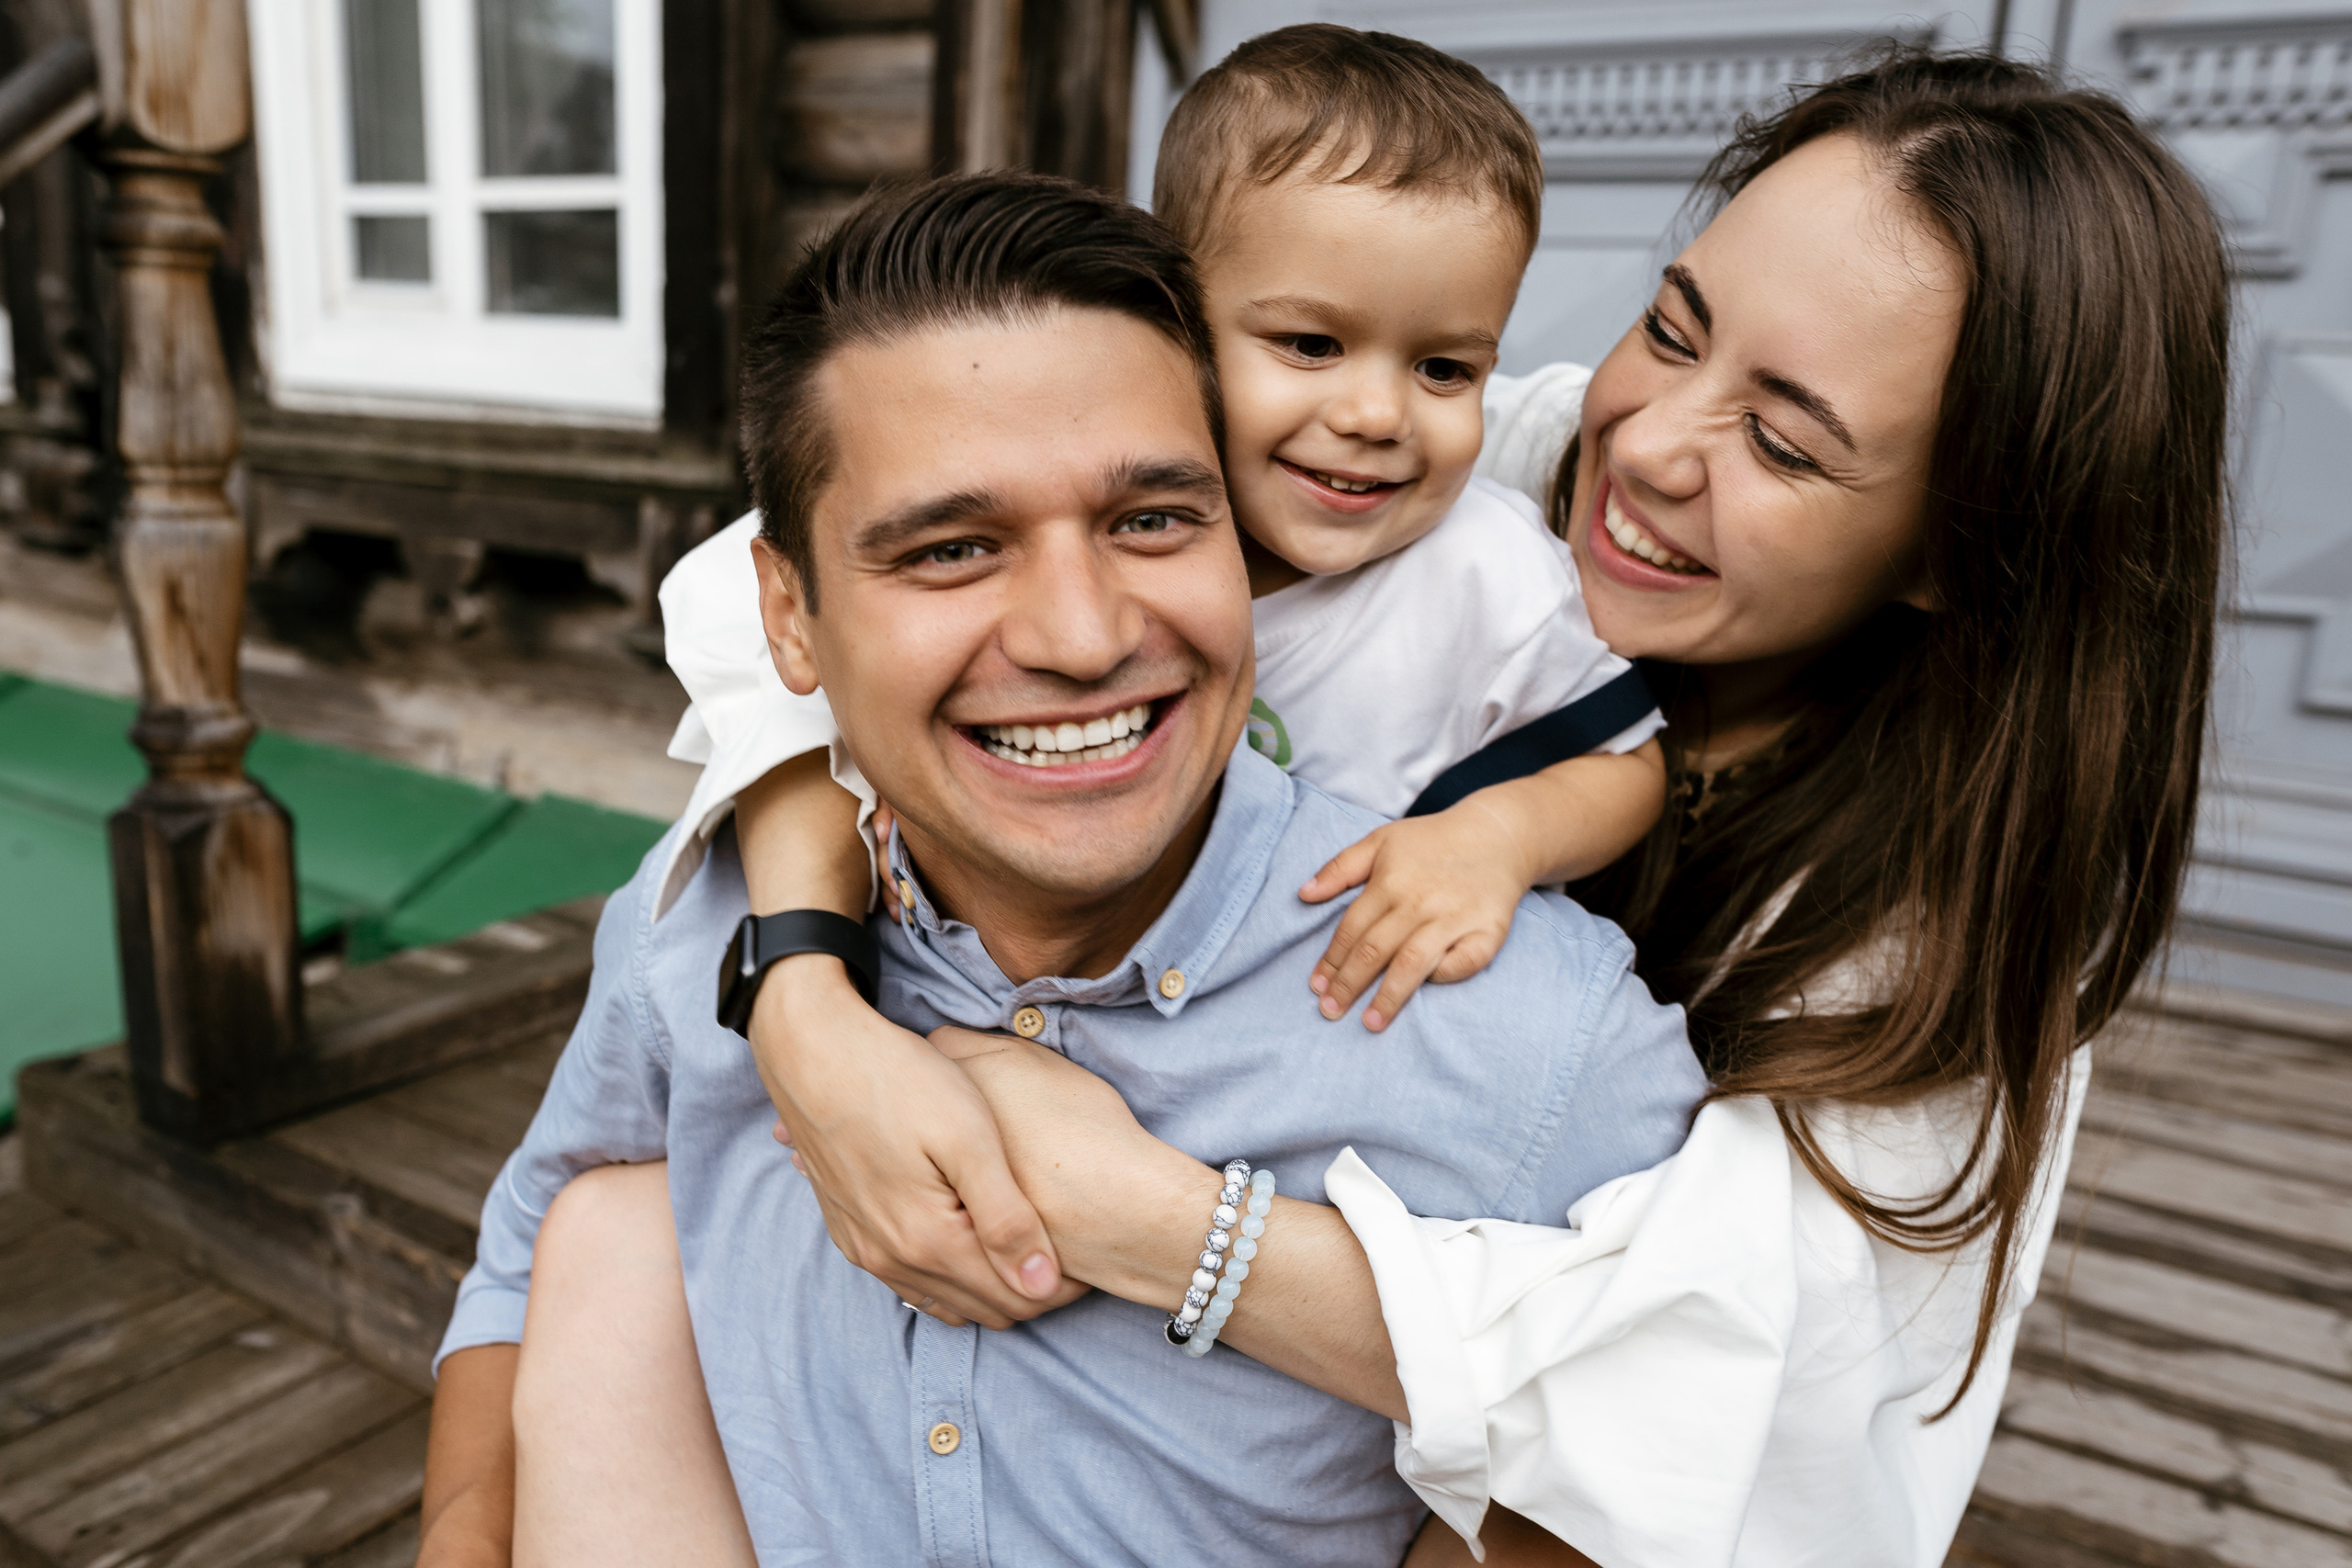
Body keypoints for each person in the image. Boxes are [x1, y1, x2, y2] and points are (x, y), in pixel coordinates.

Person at [577, 50, 2230, 1565]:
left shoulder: (1931, 946)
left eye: (1786, 445)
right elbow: (775, 589)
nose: (1648, 442)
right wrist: (800, 985)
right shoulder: (1471, 460)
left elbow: (1703, 1409)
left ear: (1958, 547)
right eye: (1673, 324)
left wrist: (1148, 1217)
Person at [418, 174, 1707, 1565]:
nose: (1084, 637)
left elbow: (1712, 1442)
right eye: (954, 549)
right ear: (785, 615)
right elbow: (535, 1235)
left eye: (1153, 519)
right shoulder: (695, 932)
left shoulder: (1525, 1032)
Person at [656, 30, 1672, 1338]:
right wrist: (799, 986)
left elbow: (1631, 754)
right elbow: (751, 613)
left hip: (1323, 1049)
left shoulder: (1482, 572)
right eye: (1310, 344)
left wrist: (1498, 836)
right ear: (1180, 327)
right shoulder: (1061, 493)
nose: (1377, 414)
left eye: (1444, 370)